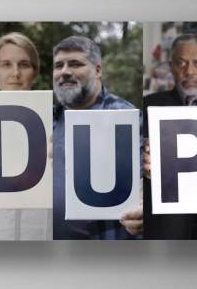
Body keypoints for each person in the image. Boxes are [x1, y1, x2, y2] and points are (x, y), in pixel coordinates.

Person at [52, 36, 142, 240]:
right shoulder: (46, 120)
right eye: (58, 65)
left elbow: (151, 178)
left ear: (98, 70)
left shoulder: (126, 117)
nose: (64, 71)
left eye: (75, 64)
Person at [143, 33, 197, 239]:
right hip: (166, 227)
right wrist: (141, 162)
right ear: (171, 66)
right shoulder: (147, 106)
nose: (189, 71)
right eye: (181, 63)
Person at [0, 32, 53, 240]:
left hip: (41, 238)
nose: (15, 73)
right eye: (6, 64)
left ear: (35, 72)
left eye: (24, 64)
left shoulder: (57, 124)